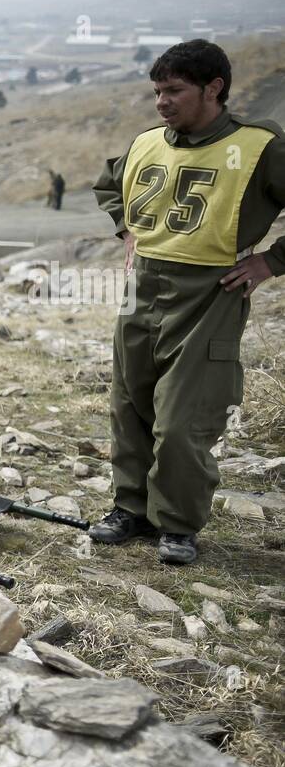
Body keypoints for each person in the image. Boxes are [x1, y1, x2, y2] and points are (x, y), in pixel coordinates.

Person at [88, 39, 285, 565]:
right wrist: (127, 229)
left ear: (213, 88)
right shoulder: (149, 140)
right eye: (157, 91)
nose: (162, 101)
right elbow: (109, 185)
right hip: (141, 291)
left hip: (210, 295)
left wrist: (270, 261)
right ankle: (130, 509)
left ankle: (176, 524)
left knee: (182, 420)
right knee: (130, 406)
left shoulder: (261, 145)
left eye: (174, 90)